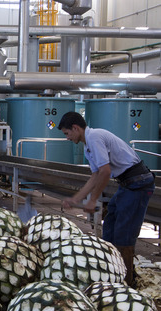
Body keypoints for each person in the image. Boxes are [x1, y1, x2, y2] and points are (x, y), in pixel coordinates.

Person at [58, 111, 155, 288]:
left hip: (138, 182)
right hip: (127, 183)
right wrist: (76, 198)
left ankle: (126, 282)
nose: (67, 138)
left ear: (75, 128)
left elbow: (105, 172)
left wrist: (93, 200)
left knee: (123, 231)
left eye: (67, 133)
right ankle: (111, 269)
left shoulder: (94, 137)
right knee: (110, 222)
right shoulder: (89, 147)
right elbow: (95, 175)